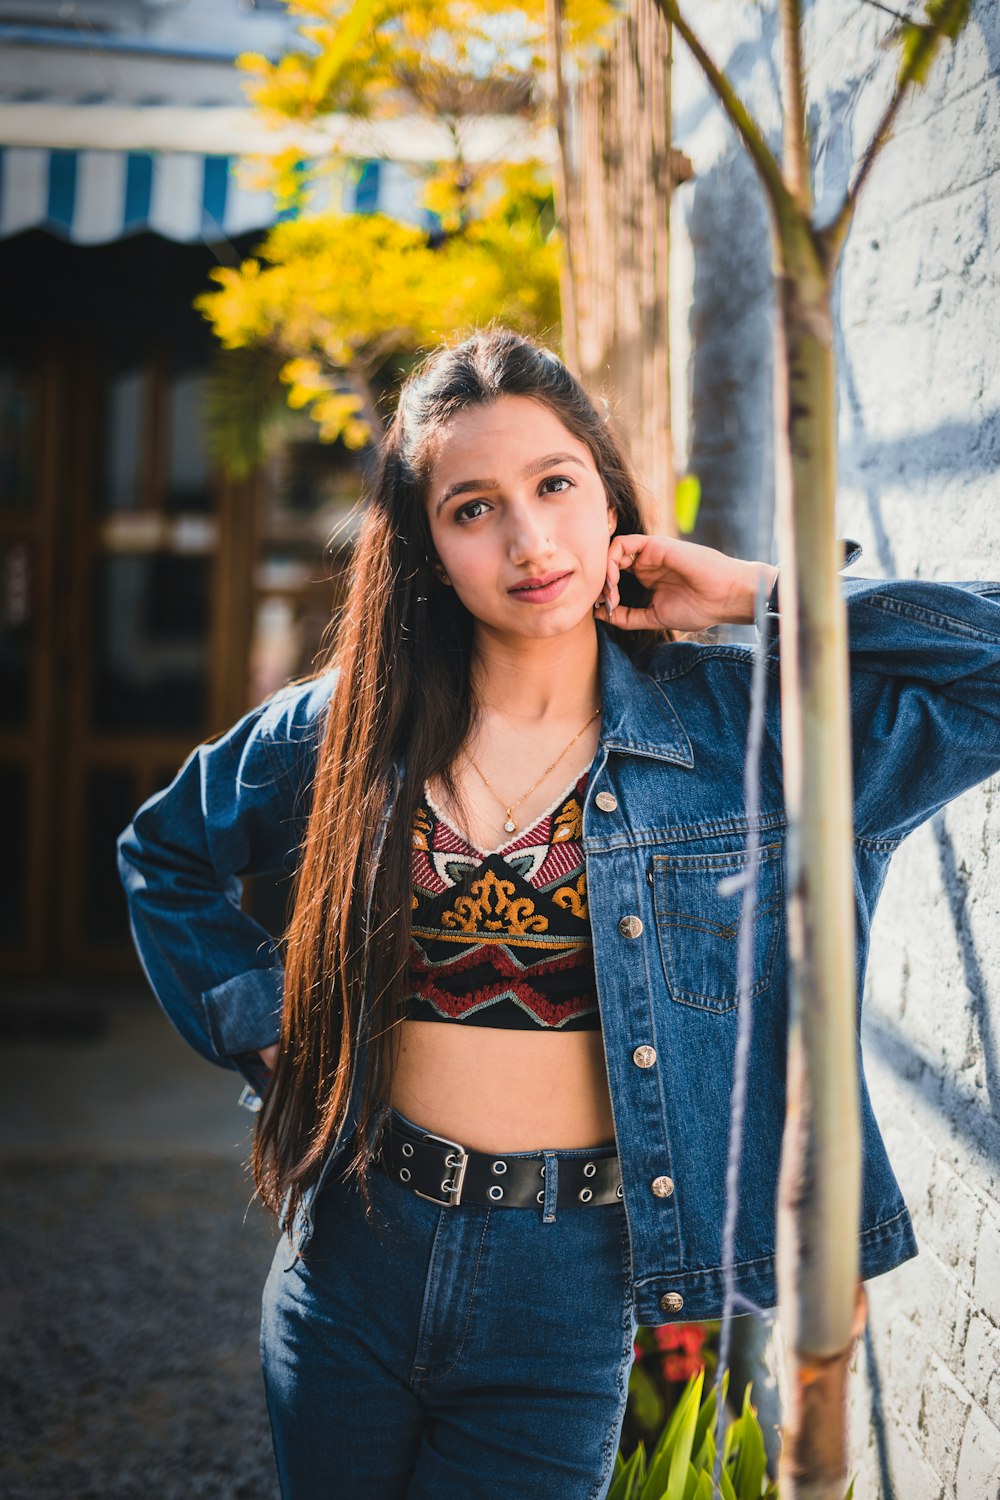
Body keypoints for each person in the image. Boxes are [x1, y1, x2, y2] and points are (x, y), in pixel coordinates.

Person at [117, 327, 1000, 1500]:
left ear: (607, 494)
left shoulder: (752, 737)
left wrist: (754, 590)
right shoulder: (349, 724)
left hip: (566, 1282)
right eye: (472, 508)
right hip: (350, 1250)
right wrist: (267, 1028)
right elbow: (164, 852)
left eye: (554, 486)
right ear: (427, 545)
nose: (530, 541)